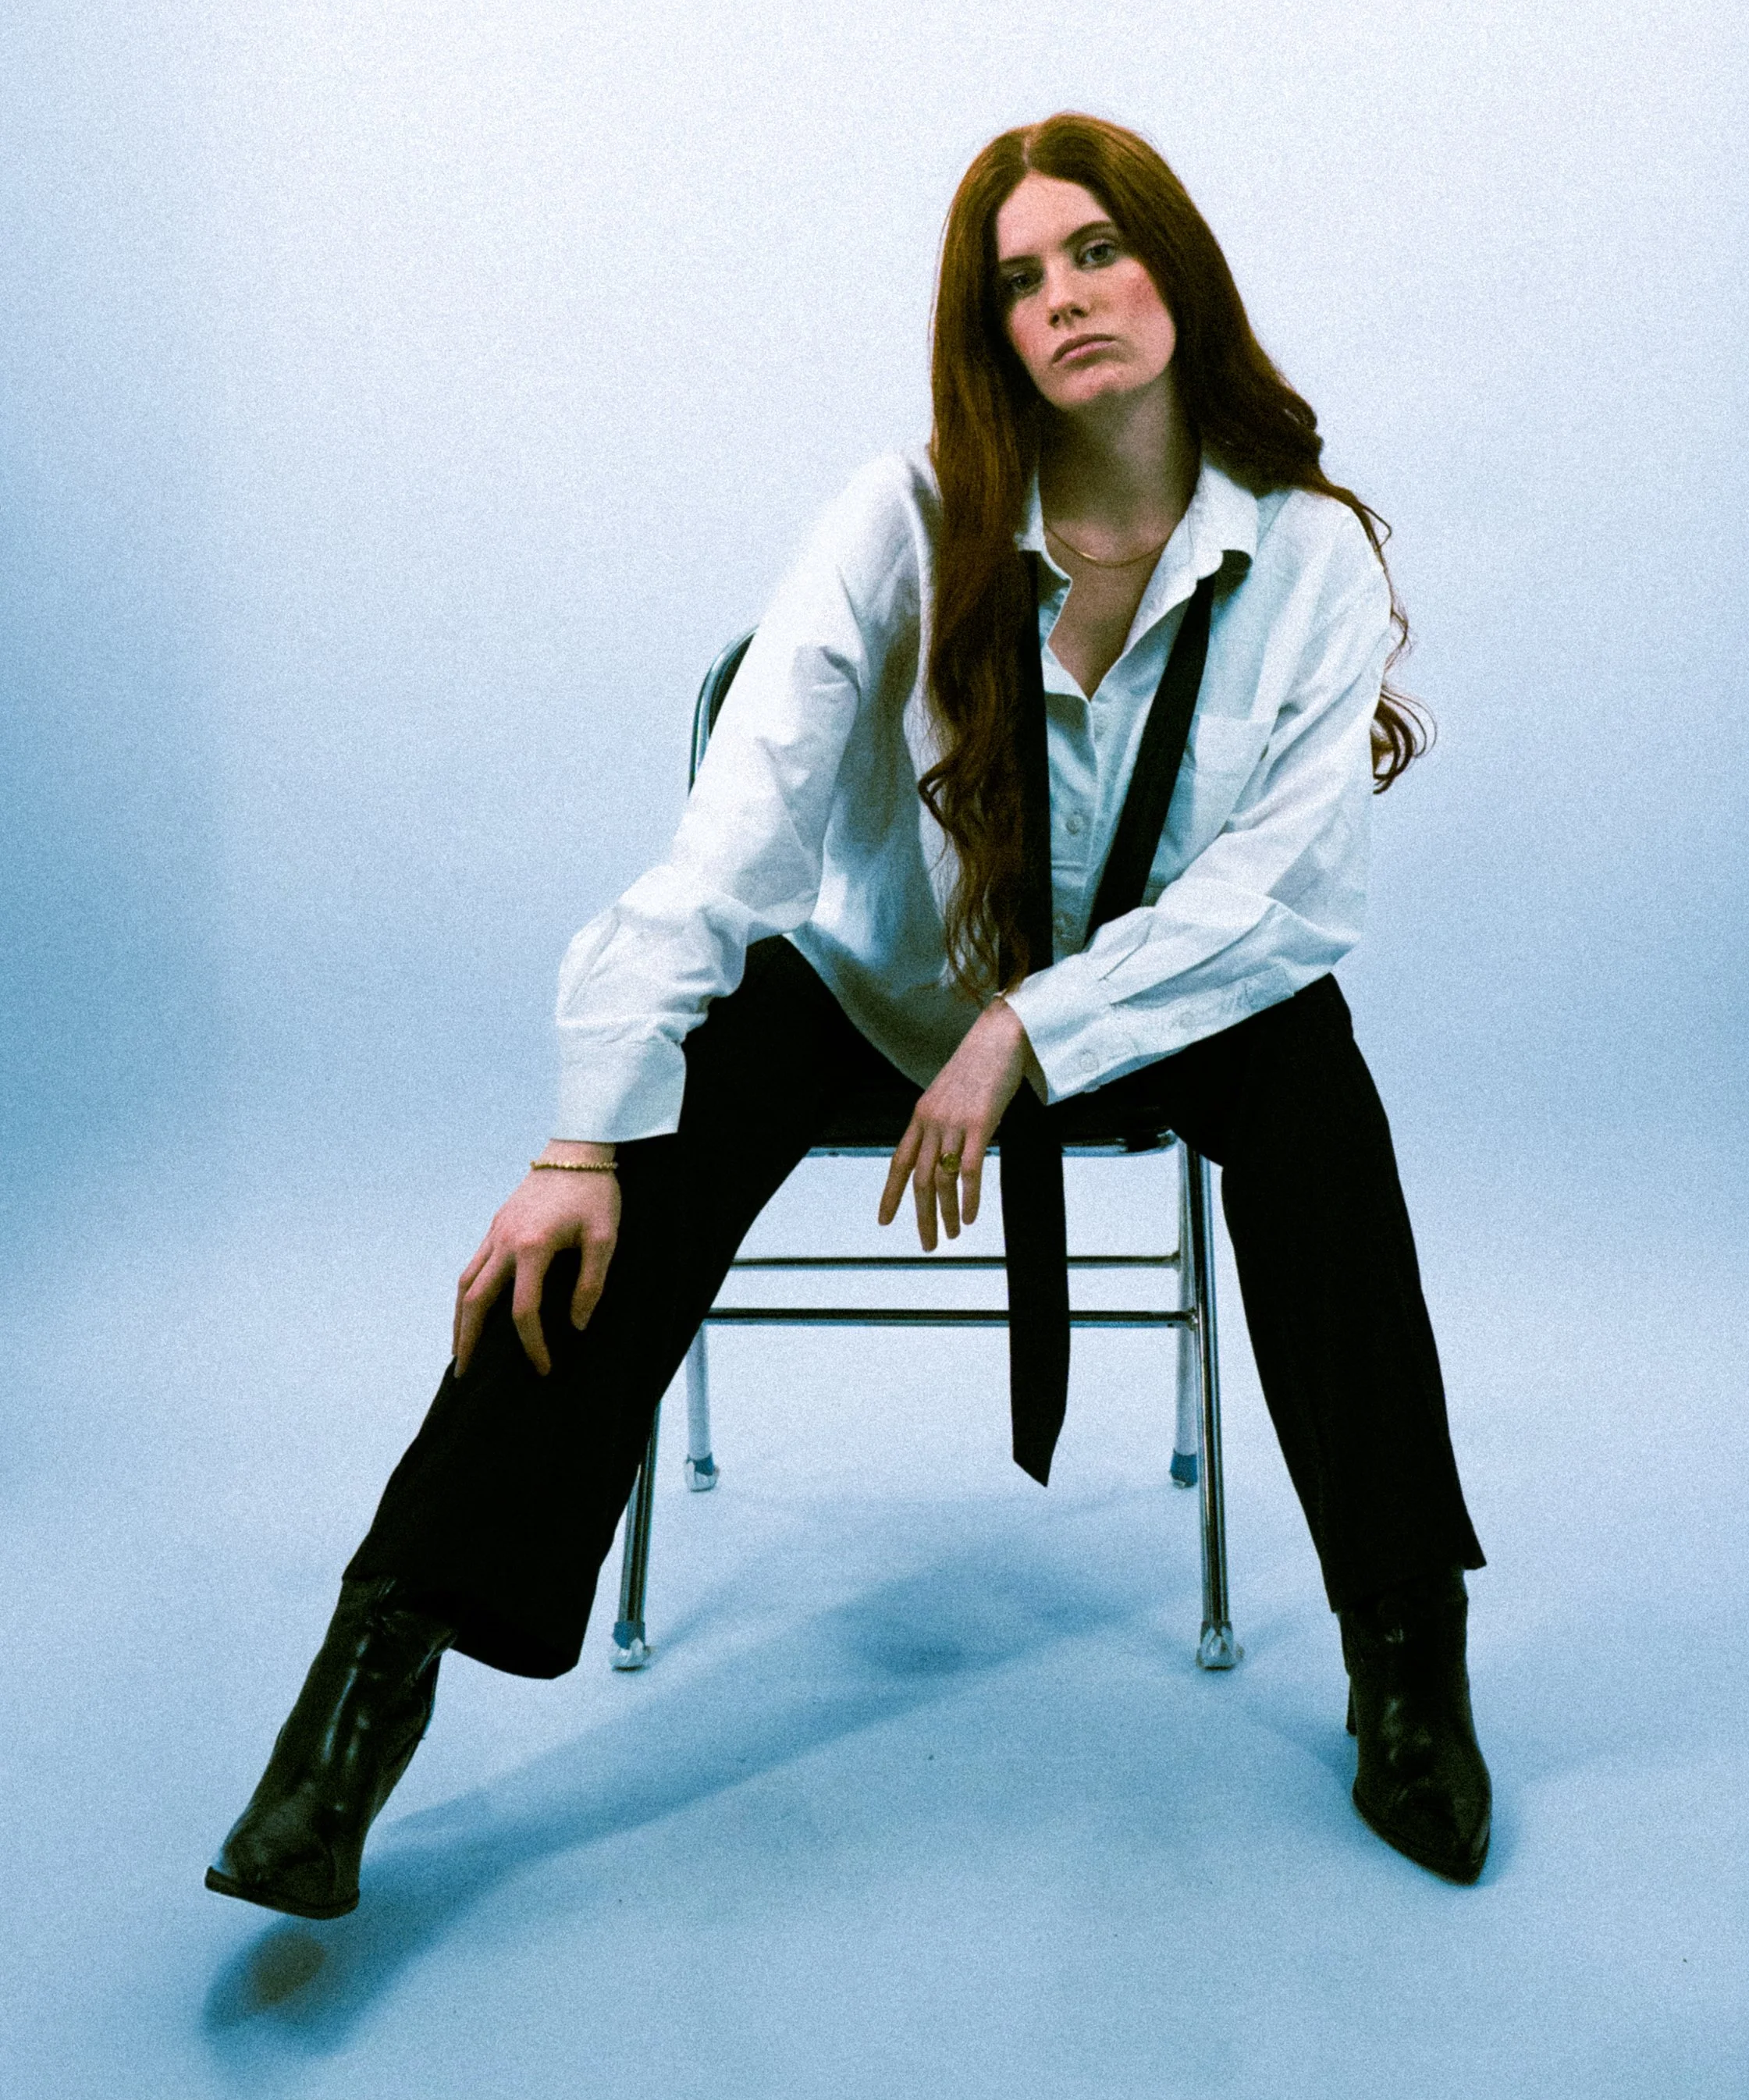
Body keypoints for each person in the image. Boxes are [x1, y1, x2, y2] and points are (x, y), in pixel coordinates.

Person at [205, 113, 1491, 1918]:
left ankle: (1405, 1651)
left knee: (1313, 1074)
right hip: (889, 986)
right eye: (1018, 279)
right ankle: (362, 1693)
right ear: (988, 332)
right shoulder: (898, 520)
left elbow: (1271, 898)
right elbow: (732, 845)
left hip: (1139, 1011)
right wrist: (578, 1136)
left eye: (1096, 251)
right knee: (644, 1145)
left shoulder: (1306, 560)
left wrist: (1029, 1031)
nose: (1064, 300)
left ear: (1175, 275)